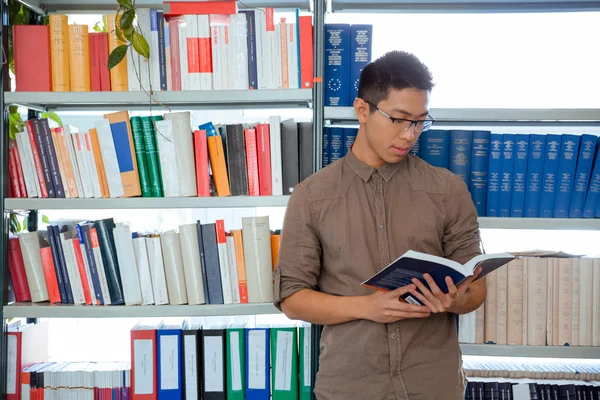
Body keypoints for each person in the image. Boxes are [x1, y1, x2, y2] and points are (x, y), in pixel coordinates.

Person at [273, 50, 486, 400]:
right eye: (399, 119)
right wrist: (366, 307)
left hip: (434, 384)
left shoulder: (448, 190)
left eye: (420, 121)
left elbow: (477, 290)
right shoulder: (312, 196)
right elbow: (292, 299)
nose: (409, 134)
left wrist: (454, 300)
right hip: (349, 387)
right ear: (362, 110)